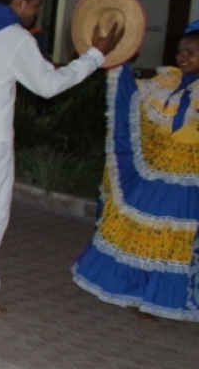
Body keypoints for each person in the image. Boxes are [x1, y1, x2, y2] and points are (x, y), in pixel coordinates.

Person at [0, 0, 122, 315]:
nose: (36, 12)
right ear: (21, 1)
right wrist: (95, 56)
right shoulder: (16, 38)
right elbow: (48, 84)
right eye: (35, 5)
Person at [72, 23, 199, 322]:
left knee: (175, 240)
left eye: (191, 53)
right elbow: (133, 102)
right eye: (181, 51)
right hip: (159, 173)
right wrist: (120, 66)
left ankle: (161, 297)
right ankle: (141, 293)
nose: (182, 57)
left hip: (189, 180)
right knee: (149, 232)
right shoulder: (165, 82)